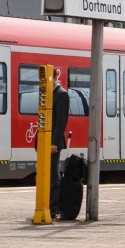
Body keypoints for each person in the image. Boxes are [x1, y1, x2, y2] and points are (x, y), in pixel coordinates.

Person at [50, 69, 70, 218]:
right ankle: (45, 205)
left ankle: (53, 208)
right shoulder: (45, 93)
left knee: (53, 174)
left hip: (53, 143)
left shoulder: (62, 94)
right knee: (46, 174)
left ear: (56, 76)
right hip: (44, 142)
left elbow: (61, 121)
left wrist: (55, 143)